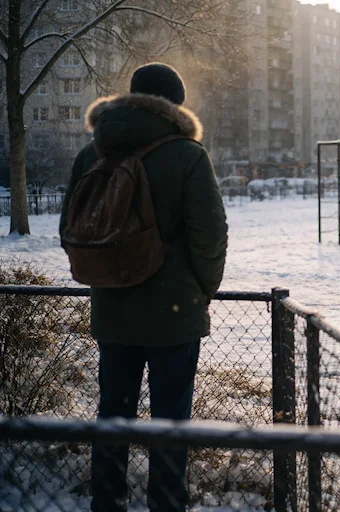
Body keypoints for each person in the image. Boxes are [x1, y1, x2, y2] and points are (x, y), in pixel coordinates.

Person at [60, 63, 228, 512]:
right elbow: (209, 236)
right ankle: (167, 504)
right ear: (175, 103)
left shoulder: (92, 152)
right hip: (175, 317)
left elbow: (71, 231)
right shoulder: (188, 154)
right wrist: (201, 292)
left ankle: (107, 501)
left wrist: (106, 277)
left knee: (112, 417)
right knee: (172, 423)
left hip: (113, 312)